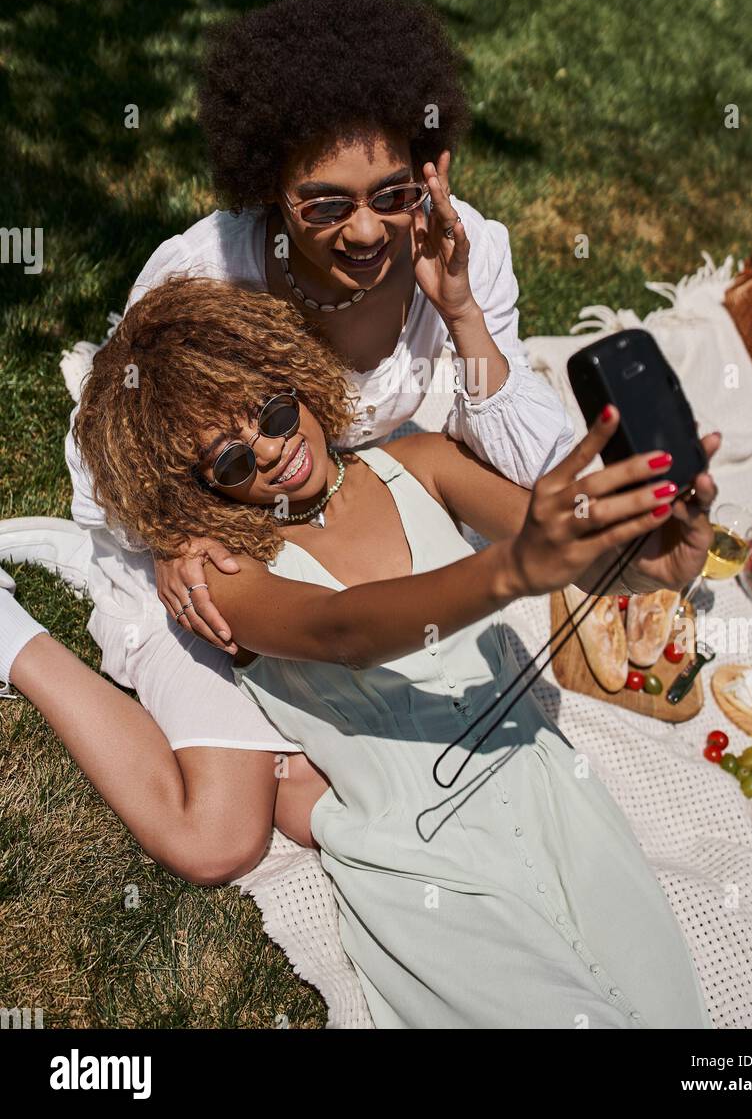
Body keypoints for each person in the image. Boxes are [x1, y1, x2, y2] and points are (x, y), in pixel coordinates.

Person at [39, 274, 715, 1028]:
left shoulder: (420, 463)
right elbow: (346, 632)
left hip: (548, 782)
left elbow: (576, 551)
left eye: (270, 410)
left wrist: (658, 563)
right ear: (199, 490)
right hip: (418, 855)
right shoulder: (229, 573)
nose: (271, 450)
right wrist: (515, 567)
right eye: (230, 462)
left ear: (291, 375)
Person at [30, 0, 577, 871]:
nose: (365, 230)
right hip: (224, 529)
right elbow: (114, 456)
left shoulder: (460, 245)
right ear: (269, 191)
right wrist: (175, 535)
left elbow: (529, 457)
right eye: (323, 205)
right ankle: (16, 640)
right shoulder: (204, 272)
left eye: (391, 193)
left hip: (355, 493)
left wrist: (463, 312)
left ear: (427, 168)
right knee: (225, 833)